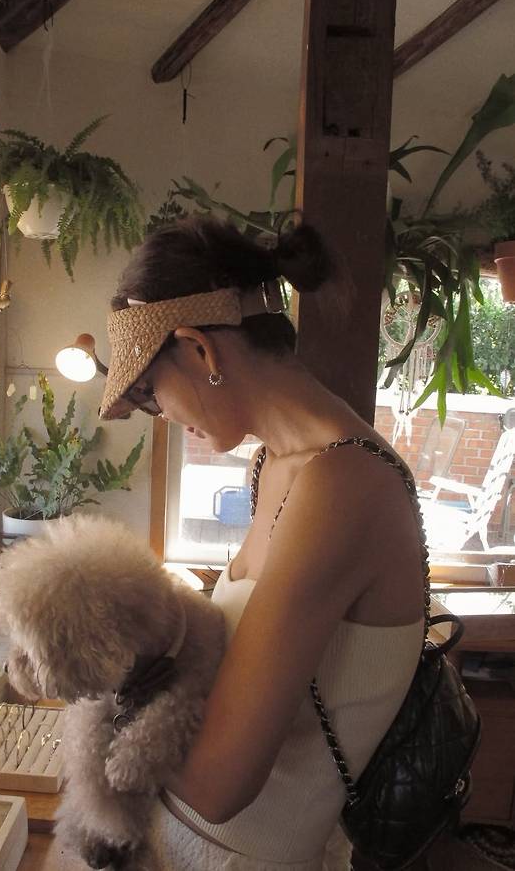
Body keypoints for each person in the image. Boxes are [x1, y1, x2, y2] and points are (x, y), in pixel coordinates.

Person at [97, 216, 426, 871]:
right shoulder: (274, 463)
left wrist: (100, 687)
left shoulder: (344, 484)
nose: (163, 418)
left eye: (152, 395)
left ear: (199, 350)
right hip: (176, 841)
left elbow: (219, 785)